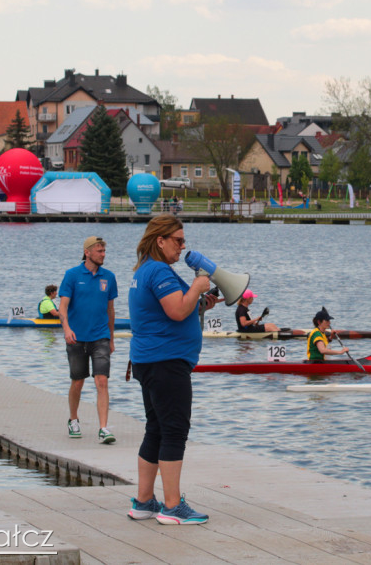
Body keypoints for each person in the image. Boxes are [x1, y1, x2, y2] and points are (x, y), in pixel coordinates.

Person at [127, 214, 218, 525]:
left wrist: (201, 301)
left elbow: (173, 307)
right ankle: (172, 506)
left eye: (183, 240)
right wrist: (197, 285)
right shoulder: (159, 271)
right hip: (166, 363)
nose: (182, 247)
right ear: (160, 240)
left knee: (156, 428)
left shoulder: (145, 271)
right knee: (174, 431)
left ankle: (143, 502)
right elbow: (177, 310)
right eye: (177, 240)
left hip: (150, 361)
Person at [59, 235, 118, 444]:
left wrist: (111, 338)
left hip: (100, 336)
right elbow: (63, 307)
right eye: (99, 251)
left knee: (102, 380)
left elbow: (111, 310)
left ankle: (103, 428)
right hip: (76, 337)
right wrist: (66, 329)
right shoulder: (72, 275)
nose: (103, 254)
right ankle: (73, 419)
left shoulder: (108, 277)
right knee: (78, 381)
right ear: (88, 252)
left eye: (104, 251)